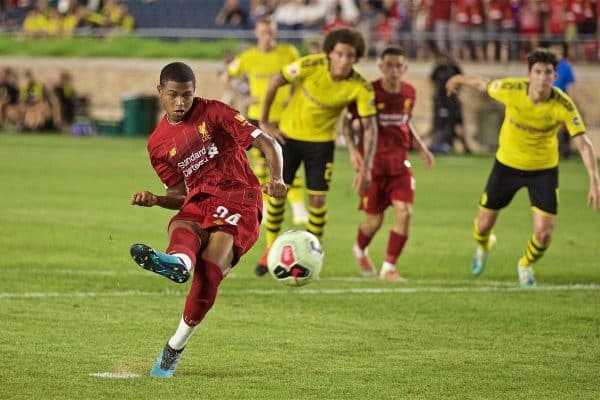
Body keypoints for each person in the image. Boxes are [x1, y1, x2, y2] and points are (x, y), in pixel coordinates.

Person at [129, 62, 286, 378]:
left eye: (186, 95)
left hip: (240, 197)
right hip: (201, 198)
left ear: (194, 92)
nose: (180, 103)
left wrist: (277, 178)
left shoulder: (215, 112)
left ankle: (174, 347)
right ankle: (179, 263)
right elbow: (177, 193)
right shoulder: (157, 144)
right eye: (173, 95)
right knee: (181, 222)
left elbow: (269, 143)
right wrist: (157, 199)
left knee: (209, 273)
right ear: (160, 92)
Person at [446, 48, 600, 288]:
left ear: (554, 76)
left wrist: (594, 179)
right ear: (529, 75)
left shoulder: (563, 105)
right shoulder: (511, 89)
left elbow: (583, 142)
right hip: (507, 165)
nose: (542, 77)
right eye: (537, 72)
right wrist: (458, 79)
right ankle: (484, 246)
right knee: (483, 225)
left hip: (543, 170)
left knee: (544, 234)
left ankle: (525, 264)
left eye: (548, 72)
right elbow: (482, 84)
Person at [255, 27, 378, 274]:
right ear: (330, 53)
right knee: (277, 192)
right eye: (340, 54)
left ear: (356, 58)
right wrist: (264, 121)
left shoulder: (360, 87)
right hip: (288, 137)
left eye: (350, 56)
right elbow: (275, 81)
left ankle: (313, 255)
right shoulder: (310, 64)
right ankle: (271, 250)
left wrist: (366, 169)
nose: (344, 60)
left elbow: (370, 129)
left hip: (321, 144)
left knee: (318, 201)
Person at [344, 46, 435, 281]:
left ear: (404, 68)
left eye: (399, 66)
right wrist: (353, 151)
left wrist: (421, 147)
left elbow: (405, 123)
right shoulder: (369, 92)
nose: (394, 70)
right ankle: (359, 249)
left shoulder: (409, 93)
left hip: (400, 166)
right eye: (389, 65)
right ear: (381, 67)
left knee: (405, 212)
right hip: (373, 167)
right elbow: (346, 121)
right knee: (374, 221)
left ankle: (388, 267)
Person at [223, 16, 309, 234]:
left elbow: (299, 80)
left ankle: (298, 207)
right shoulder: (248, 57)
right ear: (256, 32)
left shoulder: (289, 52)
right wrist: (244, 94)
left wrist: (294, 99)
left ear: (275, 31)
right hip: (257, 116)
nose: (267, 35)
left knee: (287, 162)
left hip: (284, 117)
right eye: (263, 31)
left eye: (270, 31)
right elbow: (226, 77)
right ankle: (268, 207)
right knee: (261, 164)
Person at [429, 50, 471, 154]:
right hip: (441, 102)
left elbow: (462, 80)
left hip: (452, 102)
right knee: (438, 126)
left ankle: (466, 148)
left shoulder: (455, 68)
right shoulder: (437, 69)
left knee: (458, 125)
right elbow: (433, 84)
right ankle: (434, 145)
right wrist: (435, 99)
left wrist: (456, 94)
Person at [551, 42, 576, 158]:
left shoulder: (566, 66)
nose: (557, 54)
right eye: (555, 51)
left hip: (562, 100)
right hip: (549, 100)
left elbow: (570, 84)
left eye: (559, 51)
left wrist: (570, 100)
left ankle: (565, 150)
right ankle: (552, 150)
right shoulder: (548, 65)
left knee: (565, 125)